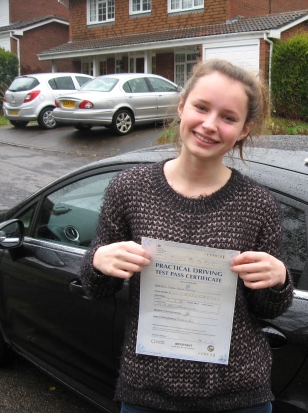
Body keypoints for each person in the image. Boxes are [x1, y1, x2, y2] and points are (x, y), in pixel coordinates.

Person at [80, 59, 293, 413]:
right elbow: (95, 288)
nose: (210, 125)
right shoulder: (129, 189)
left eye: (228, 117)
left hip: (239, 398)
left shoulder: (259, 205)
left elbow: (268, 309)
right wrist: (98, 262)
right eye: (201, 107)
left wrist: (279, 280)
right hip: (148, 394)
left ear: (243, 129)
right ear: (182, 107)